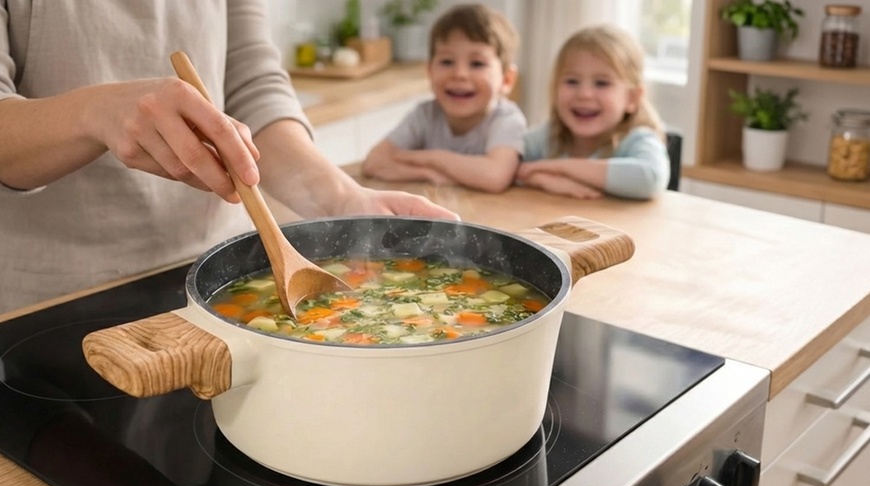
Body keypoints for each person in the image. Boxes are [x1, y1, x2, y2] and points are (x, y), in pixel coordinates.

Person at [0, 1, 458, 314]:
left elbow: (250, 85)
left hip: (224, 279)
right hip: (48, 300)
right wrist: (94, 112)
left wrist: (344, 201)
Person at [361, 3, 526, 193]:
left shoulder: (507, 119)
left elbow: (495, 177)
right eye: (447, 62)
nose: (459, 74)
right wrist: (430, 175)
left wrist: (430, 158)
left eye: (477, 63)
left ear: (507, 79)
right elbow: (375, 161)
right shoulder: (425, 114)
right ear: (429, 72)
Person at [517, 24, 669, 200]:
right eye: (572, 81)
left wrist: (560, 168)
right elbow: (502, 164)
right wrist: (540, 179)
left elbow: (650, 179)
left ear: (632, 98)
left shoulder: (636, 139)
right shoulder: (550, 135)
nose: (584, 94)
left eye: (601, 83)